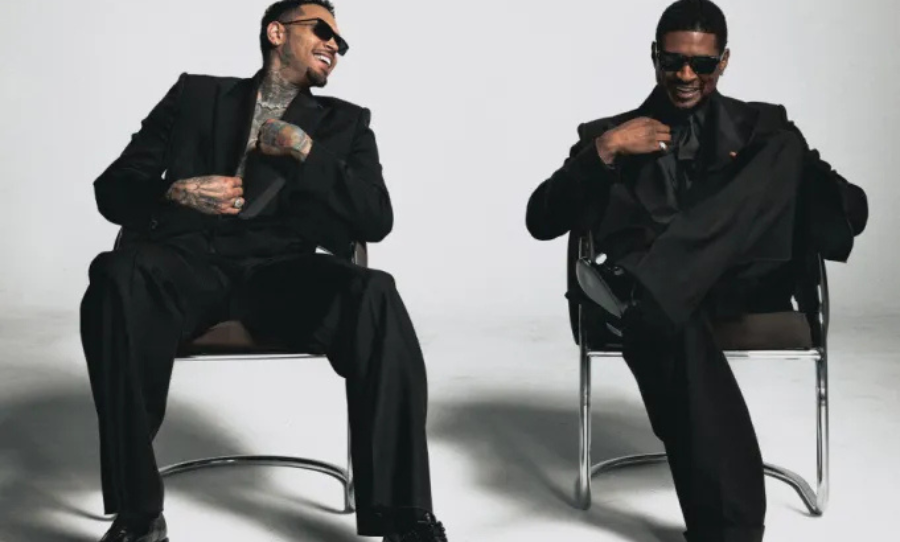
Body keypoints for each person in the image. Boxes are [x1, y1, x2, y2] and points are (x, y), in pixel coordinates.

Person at [81, 1, 448, 541]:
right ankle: (138, 513)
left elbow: (376, 219)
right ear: (277, 32)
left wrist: (306, 150)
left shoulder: (345, 123)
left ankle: (402, 513)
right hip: (185, 263)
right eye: (321, 30)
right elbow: (112, 189)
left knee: (376, 292)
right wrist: (174, 192)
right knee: (114, 276)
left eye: (341, 42)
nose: (334, 45)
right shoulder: (195, 96)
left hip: (281, 273)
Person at [525, 1, 867, 541]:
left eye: (701, 64)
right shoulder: (607, 133)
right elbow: (540, 219)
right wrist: (606, 151)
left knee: (781, 151)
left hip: (732, 286)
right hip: (670, 312)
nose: (686, 75)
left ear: (723, 61)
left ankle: (652, 289)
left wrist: (797, 177)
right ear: (655, 57)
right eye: (673, 61)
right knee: (674, 319)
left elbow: (851, 211)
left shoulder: (764, 129)